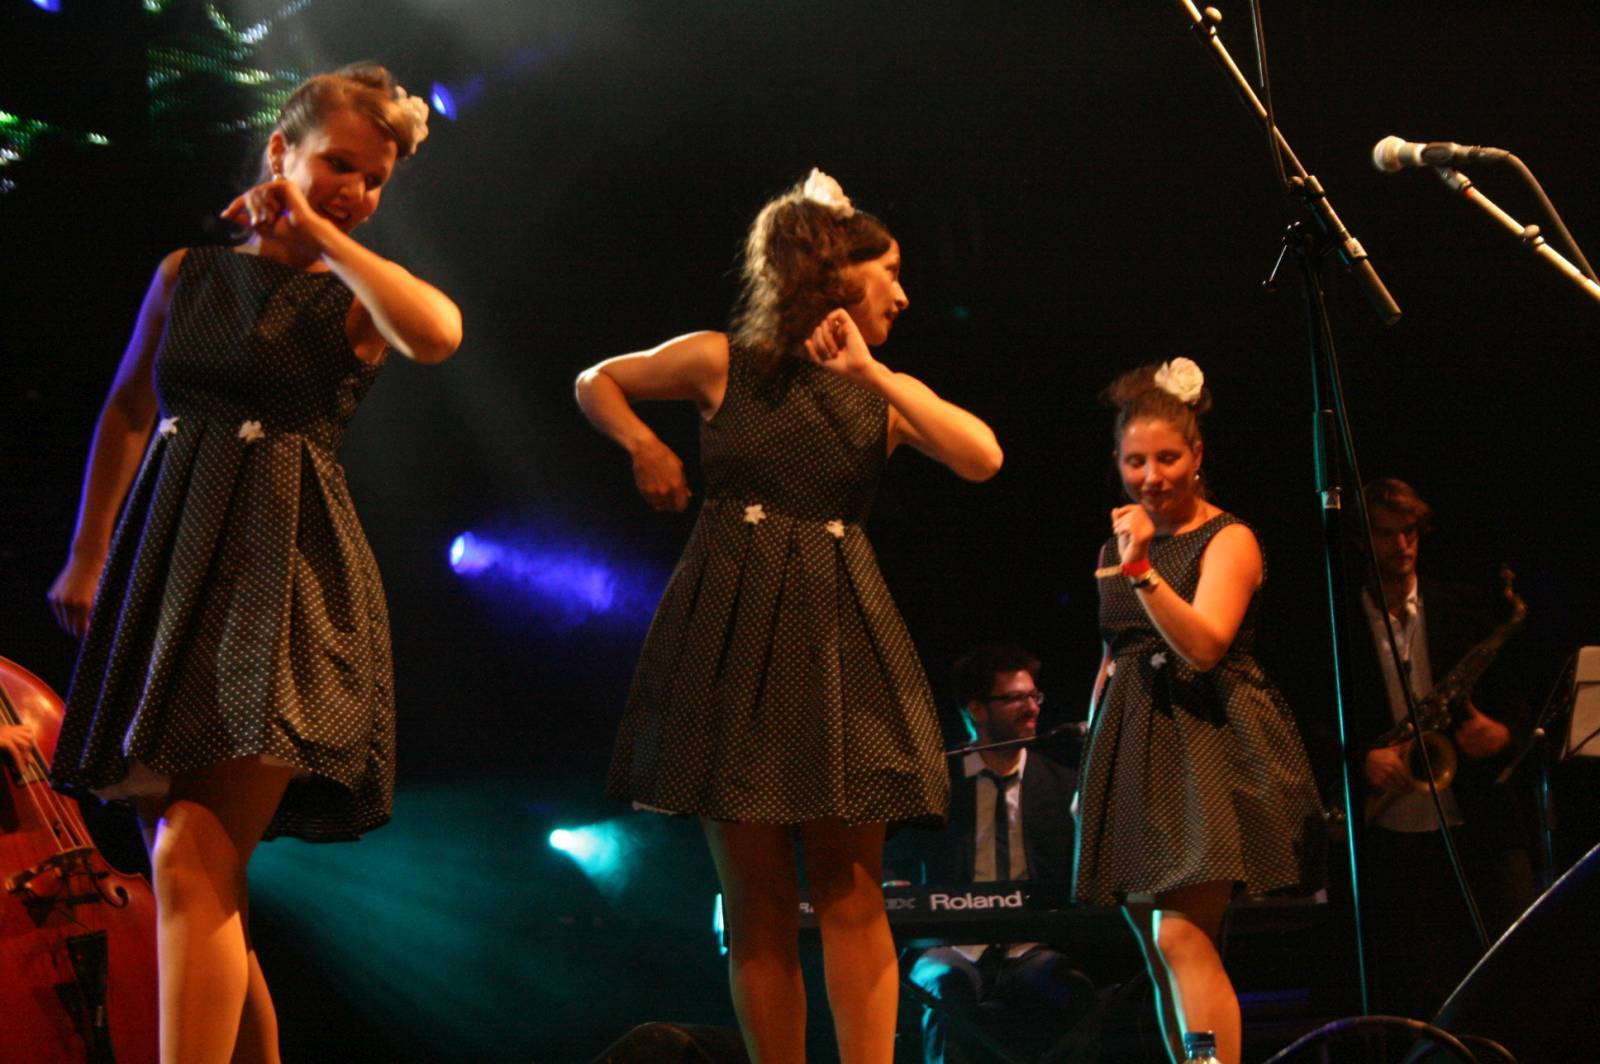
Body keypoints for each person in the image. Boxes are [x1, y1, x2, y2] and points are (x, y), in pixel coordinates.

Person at [45, 64, 461, 1064]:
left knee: (193, 849)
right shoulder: (186, 274)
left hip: (285, 576)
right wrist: (89, 552)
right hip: (172, 565)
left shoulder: (352, 292)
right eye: (338, 165)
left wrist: (320, 231)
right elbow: (129, 409)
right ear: (282, 148)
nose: (355, 190)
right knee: (192, 864)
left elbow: (438, 334)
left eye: (374, 180)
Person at [574, 169, 1002, 1064]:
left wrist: (872, 373)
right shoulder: (720, 360)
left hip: (837, 635)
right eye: (891, 272)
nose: (903, 294)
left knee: (850, 885)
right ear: (836, 273)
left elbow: (982, 458)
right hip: (731, 631)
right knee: (757, 897)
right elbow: (596, 381)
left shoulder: (881, 392)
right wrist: (644, 443)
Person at [1072, 359, 1322, 1064]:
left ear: (1197, 455)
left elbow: (1205, 646)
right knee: (1156, 949)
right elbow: (1114, 655)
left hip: (1205, 743)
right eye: (1135, 462)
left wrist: (1143, 570)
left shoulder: (1228, 538)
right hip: (1132, 740)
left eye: (1167, 459)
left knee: (1182, 935)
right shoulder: (1114, 546)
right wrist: (1091, 770)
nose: (1151, 476)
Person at [1349, 477, 1534, 1020]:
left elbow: (1518, 702)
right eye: (1387, 534)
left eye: (1410, 532)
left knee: (1518, 975)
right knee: (1429, 993)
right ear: (1361, 540)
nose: (1402, 546)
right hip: (1394, 831)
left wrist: (1502, 734)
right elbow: (1308, 722)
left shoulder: (1463, 606)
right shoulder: (1339, 625)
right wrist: (1361, 759)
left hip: (1479, 822)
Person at [896, 644, 1089, 1064]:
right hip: (949, 946)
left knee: (1068, 990)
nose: (1031, 708)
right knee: (947, 988)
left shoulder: (1064, 786)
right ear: (976, 710)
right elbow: (896, 864)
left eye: (1034, 696)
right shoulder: (936, 785)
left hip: (1031, 948)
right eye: (1014, 698)